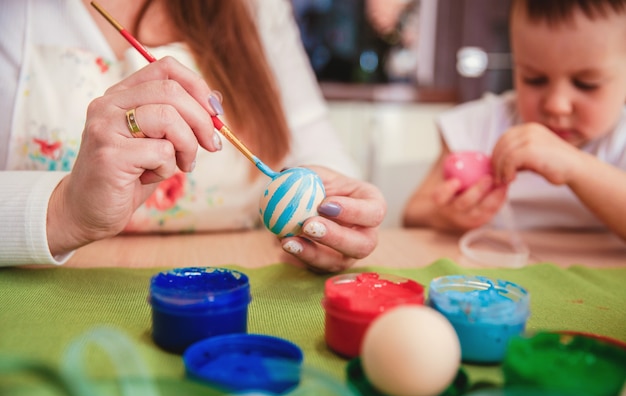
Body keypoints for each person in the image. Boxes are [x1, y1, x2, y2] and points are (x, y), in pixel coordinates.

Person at [0, 0, 386, 272]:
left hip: (244, 293)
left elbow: (320, 149)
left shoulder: (255, 8)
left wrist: (333, 213)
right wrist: (63, 211)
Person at [402, 0, 626, 241]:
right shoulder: (481, 126)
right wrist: (443, 215)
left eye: (586, 84)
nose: (556, 105)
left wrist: (578, 168)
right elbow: (412, 213)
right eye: (534, 79)